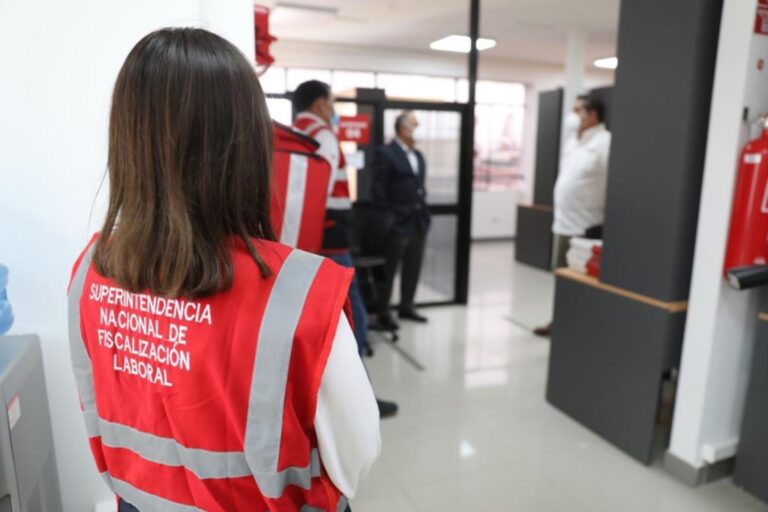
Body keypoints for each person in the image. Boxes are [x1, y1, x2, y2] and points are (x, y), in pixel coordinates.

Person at [67, 28, 380, 512]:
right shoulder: (299, 290)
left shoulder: (91, 270)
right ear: (250, 142)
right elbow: (357, 456)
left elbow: (95, 404)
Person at [292, 80, 398, 419]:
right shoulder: (321, 133)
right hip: (329, 234)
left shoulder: (294, 132)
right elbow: (316, 188)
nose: (333, 108)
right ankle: (359, 398)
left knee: (314, 317)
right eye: (331, 101)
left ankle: (325, 396)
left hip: (307, 237)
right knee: (354, 315)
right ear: (320, 102)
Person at [534, 93, 612, 337]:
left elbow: (612, 183)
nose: (573, 115)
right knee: (561, 279)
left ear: (593, 115)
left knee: (582, 283)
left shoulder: (605, 142)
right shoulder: (572, 144)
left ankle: (579, 329)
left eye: (578, 110)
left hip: (586, 226)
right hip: (563, 224)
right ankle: (561, 322)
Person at [371, 111, 431, 331]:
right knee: (389, 269)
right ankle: (383, 312)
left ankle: (407, 305)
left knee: (413, 266)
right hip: (397, 222)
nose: (417, 130)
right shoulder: (386, 153)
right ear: (403, 129)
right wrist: (389, 219)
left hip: (418, 220)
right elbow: (378, 190)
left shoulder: (418, 156)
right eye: (415, 125)